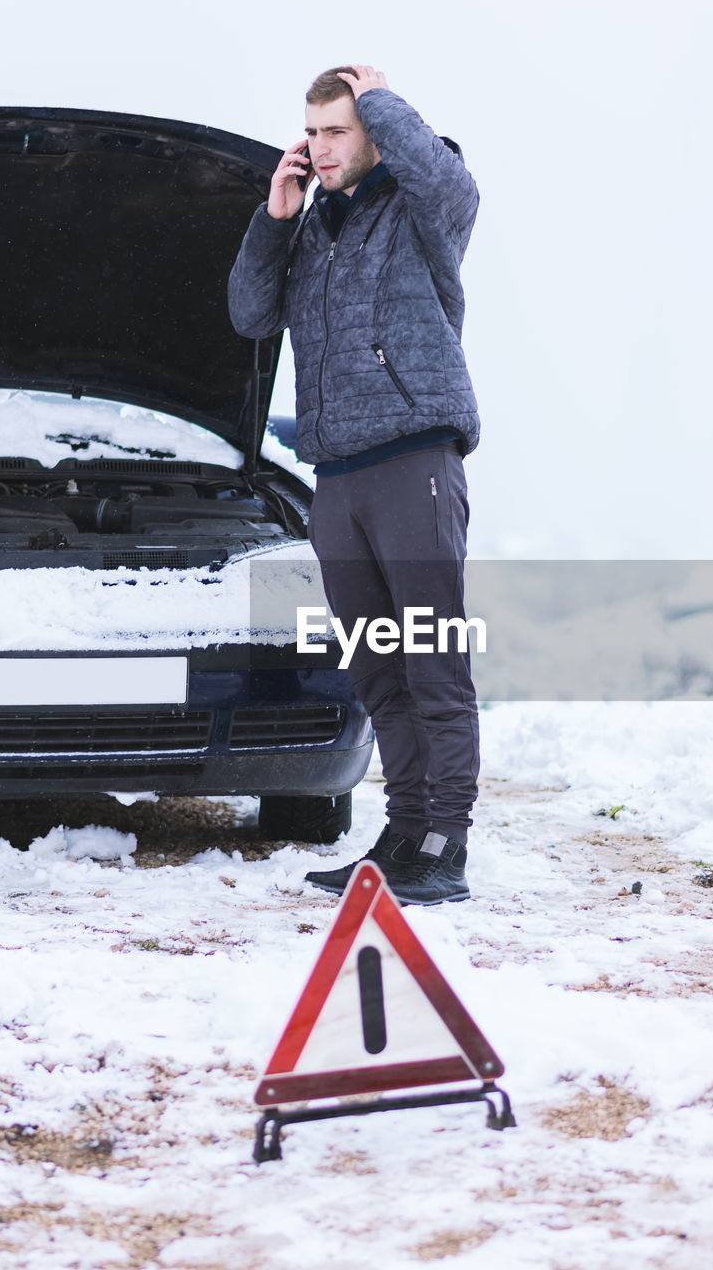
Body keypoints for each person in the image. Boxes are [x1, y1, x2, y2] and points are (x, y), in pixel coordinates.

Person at [228, 65, 480, 906]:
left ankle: (447, 840)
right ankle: (404, 831)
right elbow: (249, 314)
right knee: (377, 670)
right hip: (336, 473)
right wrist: (274, 219)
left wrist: (381, 101)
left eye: (337, 130)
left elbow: (450, 184)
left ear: (373, 133)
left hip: (414, 459)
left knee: (432, 661)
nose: (318, 146)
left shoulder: (419, 210)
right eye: (313, 131)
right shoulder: (310, 232)